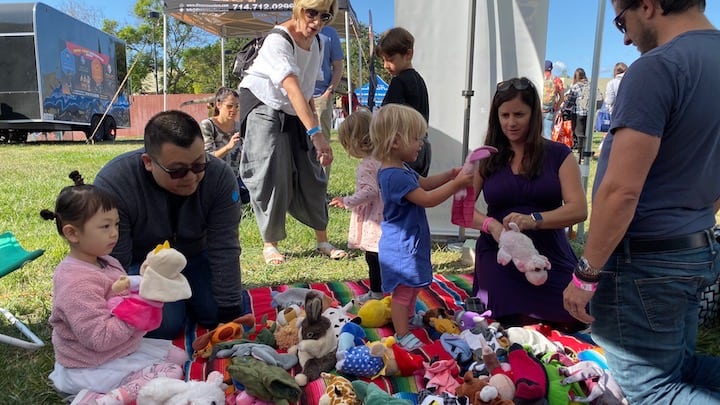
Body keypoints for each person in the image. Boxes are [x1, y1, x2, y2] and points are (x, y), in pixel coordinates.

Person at [563, 1, 720, 403]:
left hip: (646, 259)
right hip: (695, 246)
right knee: (677, 368)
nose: (627, 37)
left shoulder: (658, 67)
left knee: (652, 390)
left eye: (622, 21)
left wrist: (585, 275)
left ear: (647, 6)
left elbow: (621, 190)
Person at [94, 110, 243, 340]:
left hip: (196, 257)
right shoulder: (116, 183)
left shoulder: (219, 177)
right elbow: (114, 260)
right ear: (148, 163)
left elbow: (224, 248)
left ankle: (187, 299)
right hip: (143, 265)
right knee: (164, 325)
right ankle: (179, 304)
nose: (191, 176)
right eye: (178, 170)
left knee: (219, 311)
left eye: (198, 165)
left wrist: (229, 312)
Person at [44, 171, 187, 404]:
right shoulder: (76, 282)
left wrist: (146, 279)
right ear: (72, 233)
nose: (114, 233)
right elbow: (99, 338)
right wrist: (140, 308)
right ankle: (101, 399)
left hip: (117, 349)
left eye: (116, 224)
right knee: (171, 373)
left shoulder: (105, 260)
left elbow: (121, 292)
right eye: (105, 226)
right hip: (91, 364)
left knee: (179, 355)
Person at [471, 77, 588, 332]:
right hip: (499, 253)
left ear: (534, 115)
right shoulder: (486, 157)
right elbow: (462, 211)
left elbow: (579, 209)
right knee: (508, 315)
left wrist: (534, 220)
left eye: (519, 114)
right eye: (504, 115)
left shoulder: (559, 155)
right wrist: (492, 227)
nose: (511, 123)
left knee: (576, 312)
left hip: (547, 253)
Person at [237, 0, 346, 266]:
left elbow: (306, 91)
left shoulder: (319, 43)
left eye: (325, 17)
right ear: (299, 9)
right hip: (263, 102)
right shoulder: (278, 39)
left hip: (295, 105)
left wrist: (313, 134)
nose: (317, 22)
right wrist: (318, 134)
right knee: (270, 169)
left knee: (311, 170)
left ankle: (323, 241)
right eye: (312, 13)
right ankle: (270, 244)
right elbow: (292, 87)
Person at [370, 104, 473, 350]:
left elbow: (425, 184)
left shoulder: (401, 169)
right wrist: (456, 184)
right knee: (403, 292)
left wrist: (450, 175)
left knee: (414, 285)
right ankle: (402, 332)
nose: (421, 144)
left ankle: (406, 318)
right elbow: (427, 199)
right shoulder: (392, 175)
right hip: (400, 247)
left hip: (409, 242)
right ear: (396, 141)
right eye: (417, 138)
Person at [330, 109, 383, 304]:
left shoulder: (366, 165)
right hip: (385, 215)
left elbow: (369, 191)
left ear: (354, 142)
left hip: (374, 218)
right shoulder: (382, 159)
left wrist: (347, 201)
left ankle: (377, 292)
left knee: (373, 256)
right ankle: (383, 289)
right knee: (381, 257)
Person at [376, 27, 431, 177]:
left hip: (405, 148)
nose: (385, 65)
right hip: (423, 147)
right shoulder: (419, 80)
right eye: (383, 60)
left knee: (401, 191)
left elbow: (387, 118)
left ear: (408, 54)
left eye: (390, 59)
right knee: (418, 191)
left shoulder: (398, 82)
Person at [200, 87, 250, 204]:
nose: (234, 110)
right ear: (219, 105)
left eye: (237, 106)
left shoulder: (239, 127)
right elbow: (207, 158)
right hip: (215, 179)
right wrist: (228, 147)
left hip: (238, 178)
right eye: (229, 106)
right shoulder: (208, 125)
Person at [313, 25, 344, 179]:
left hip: (321, 96)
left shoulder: (330, 33)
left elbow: (338, 66)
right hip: (298, 95)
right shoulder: (296, 27)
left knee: (323, 143)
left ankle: (321, 188)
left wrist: (329, 91)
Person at [597, 62, 627, 157]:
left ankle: (606, 151)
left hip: (616, 112)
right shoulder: (632, 81)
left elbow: (609, 101)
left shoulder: (612, 83)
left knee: (612, 133)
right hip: (630, 112)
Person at [565, 68, 591, 149]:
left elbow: (570, 102)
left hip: (578, 113)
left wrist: (565, 106)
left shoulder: (575, 86)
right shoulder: (590, 85)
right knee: (586, 132)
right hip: (589, 113)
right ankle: (586, 149)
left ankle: (581, 152)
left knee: (578, 132)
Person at [541, 60, 564, 140]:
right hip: (550, 111)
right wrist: (556, 107)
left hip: (538, 109)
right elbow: (562, 97)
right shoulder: (557, 80)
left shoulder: (539, 78)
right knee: (548, 134)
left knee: (536, 133)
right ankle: (548, 151)